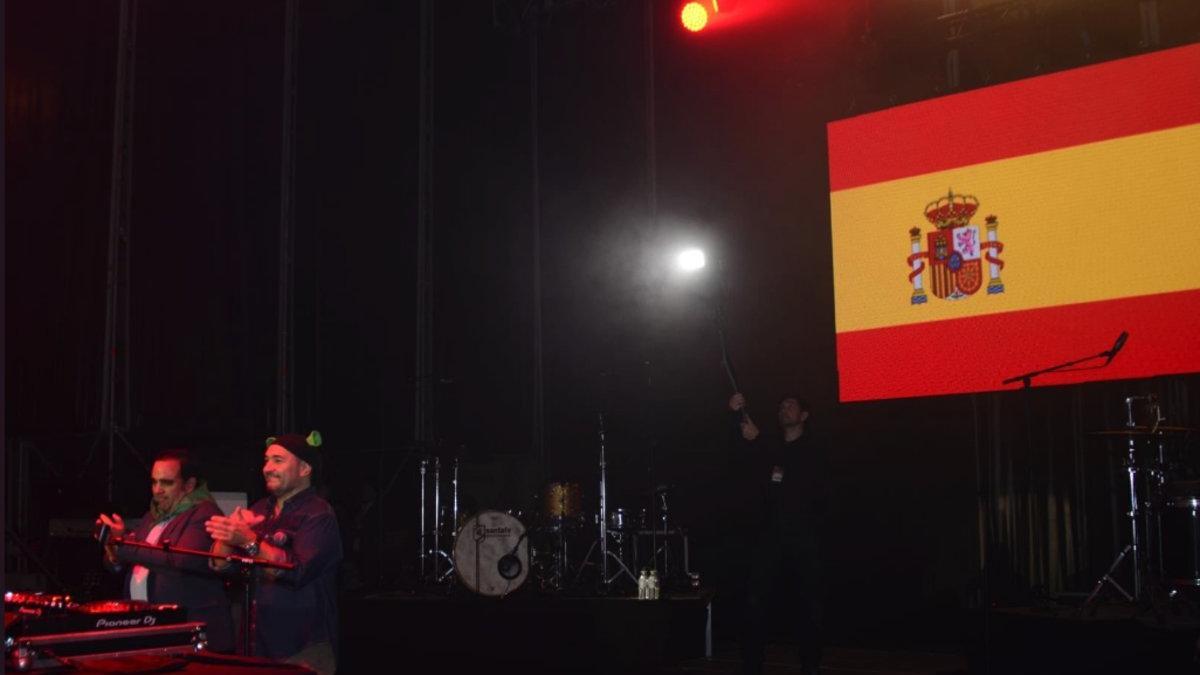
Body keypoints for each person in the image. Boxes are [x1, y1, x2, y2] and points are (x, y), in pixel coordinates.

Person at [206, 431, 342, 675]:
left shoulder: (318, 514)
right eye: (266, 460)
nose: (267, 468)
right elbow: (224, 567)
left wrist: (248, 539)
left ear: (304, 469)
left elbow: (296, 572)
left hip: (302, 649)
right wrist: (226, 536)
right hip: (254, 645)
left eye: (278, 460)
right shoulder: (260, 509)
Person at [728, 392, 830, 675]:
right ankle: (752, 665)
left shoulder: (813, 448)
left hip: (804, 537)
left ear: (804, 415)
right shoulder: (771, 448)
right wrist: (736, 414)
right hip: (770, 536)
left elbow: (801, 478)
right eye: (781, 405)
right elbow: (742, 455)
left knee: (809, 604)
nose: (784, 408)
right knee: (756, 600)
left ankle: (810, 665)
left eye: (791, 405)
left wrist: (758, 440)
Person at [97, 448, 235, 653]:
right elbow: (122, 565)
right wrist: (113, 549)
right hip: (149, 628)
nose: (157, 490)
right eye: (154, 482)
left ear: (189, 485)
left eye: (167, 483)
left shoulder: (204, 512)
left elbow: (179, 560)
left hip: (188, 631)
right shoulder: (152, 516)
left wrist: (122, 544)